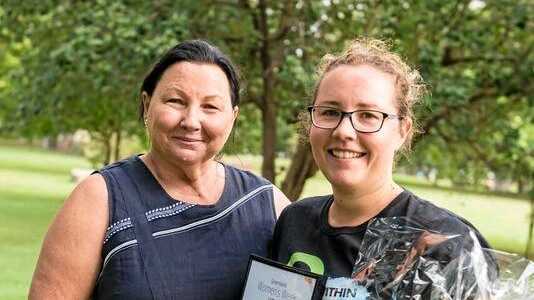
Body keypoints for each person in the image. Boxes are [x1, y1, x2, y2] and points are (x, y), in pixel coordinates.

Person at [29, 40, 289, 299]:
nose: (191, 122)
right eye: (176, 101)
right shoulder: (99, 198)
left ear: (232, 118)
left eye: (210, 106)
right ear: (147, 104)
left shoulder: (266, 202)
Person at [271, 38, 492, 295]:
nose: (344, 131)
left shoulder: (444, 243)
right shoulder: (295, 221)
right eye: (330, 112)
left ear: (402, 130)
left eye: (368, 115)